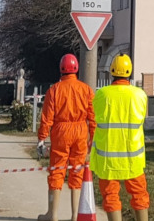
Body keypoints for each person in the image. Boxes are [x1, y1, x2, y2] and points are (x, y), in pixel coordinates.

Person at [36, 54, 96, 221]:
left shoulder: (54, 90)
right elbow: (93, 118)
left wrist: (41, 138)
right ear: (77, 68)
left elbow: (46, 117)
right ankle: (75, 215)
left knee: (57, 171)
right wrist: (92, 140)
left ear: (61, 68)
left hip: (61, 132)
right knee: (77, 171)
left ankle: (52, 215)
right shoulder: (86, 90)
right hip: (80, 132)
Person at [91, 54, 149, 221]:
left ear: (111, 71)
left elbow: (96, 116)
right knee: (139, 195)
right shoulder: (140, 95)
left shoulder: (102, 94)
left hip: (108, 158)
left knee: (110, 196)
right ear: (129, 72)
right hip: (133, 158)